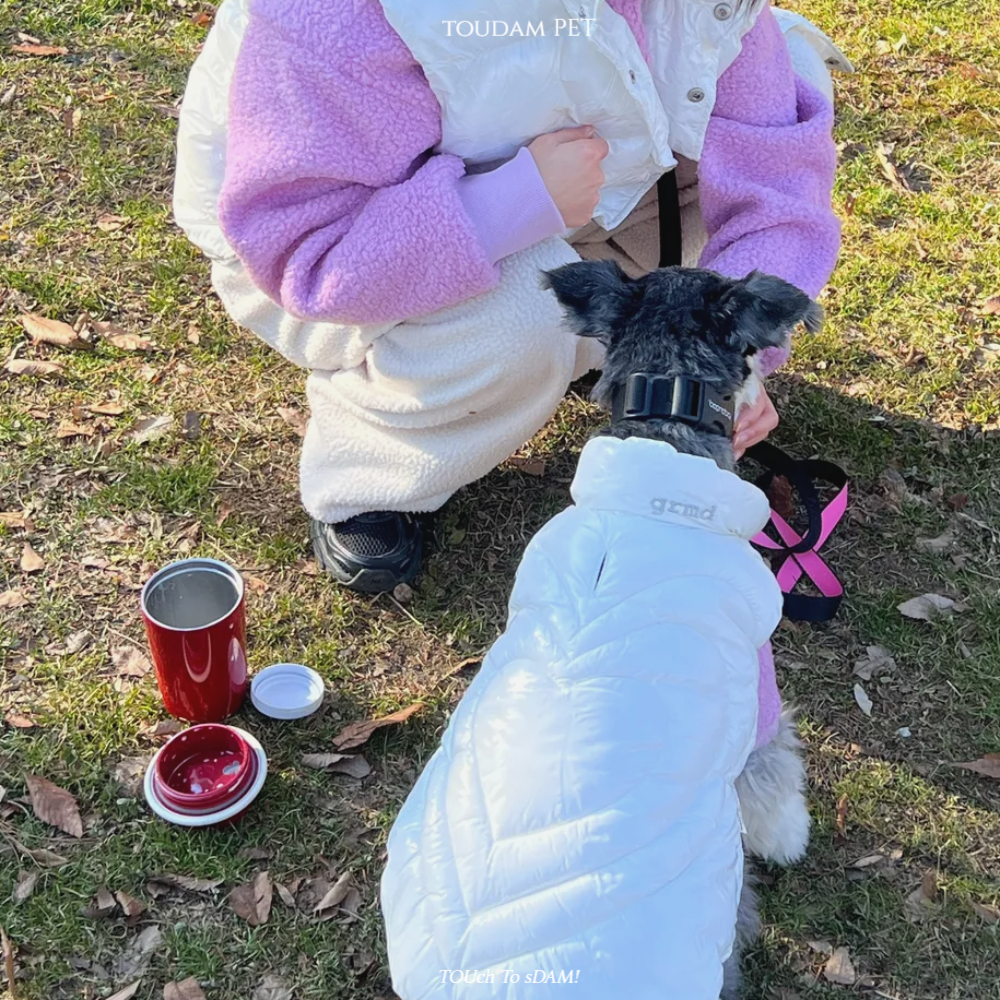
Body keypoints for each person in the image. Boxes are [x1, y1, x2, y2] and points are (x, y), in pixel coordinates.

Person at [175, 0, 849, 600]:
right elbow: (312, 254)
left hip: (588, 188)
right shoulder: (336, 17)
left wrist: (737, 356)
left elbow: (774, 189)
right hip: (319, 259)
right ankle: (372, 468)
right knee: (531, 312)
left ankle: (609, 350)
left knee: (735, 142)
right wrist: (510, 203)